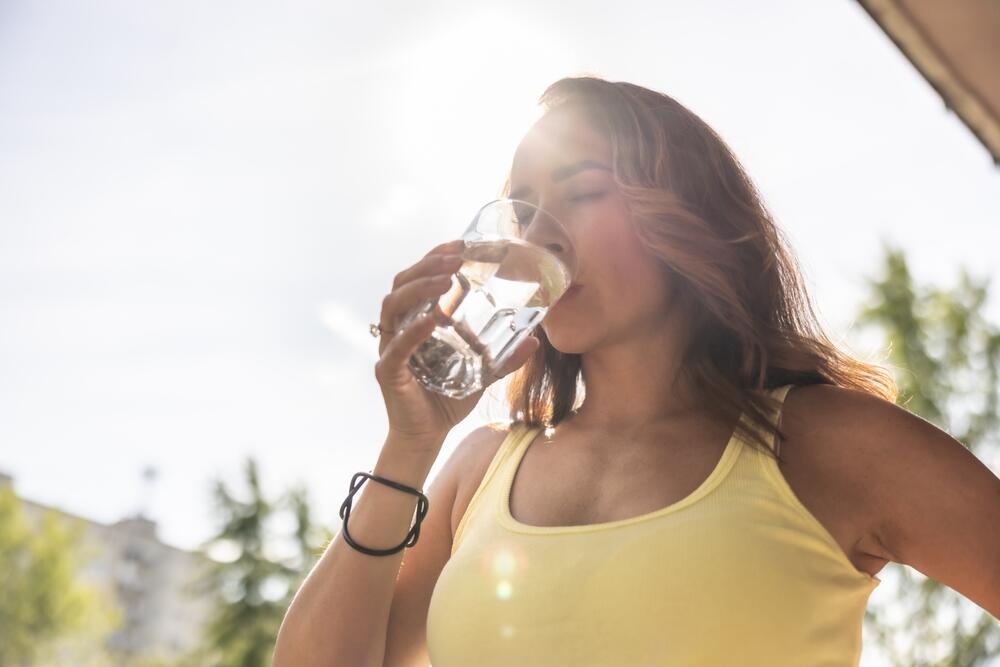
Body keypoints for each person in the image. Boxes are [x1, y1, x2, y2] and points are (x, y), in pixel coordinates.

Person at [273, 76, 1000, 666]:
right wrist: (409, 445)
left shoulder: (833, 445)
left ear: (691, 217)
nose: (540, 235)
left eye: (583, 192)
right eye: (522, 212)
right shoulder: (479, 468)